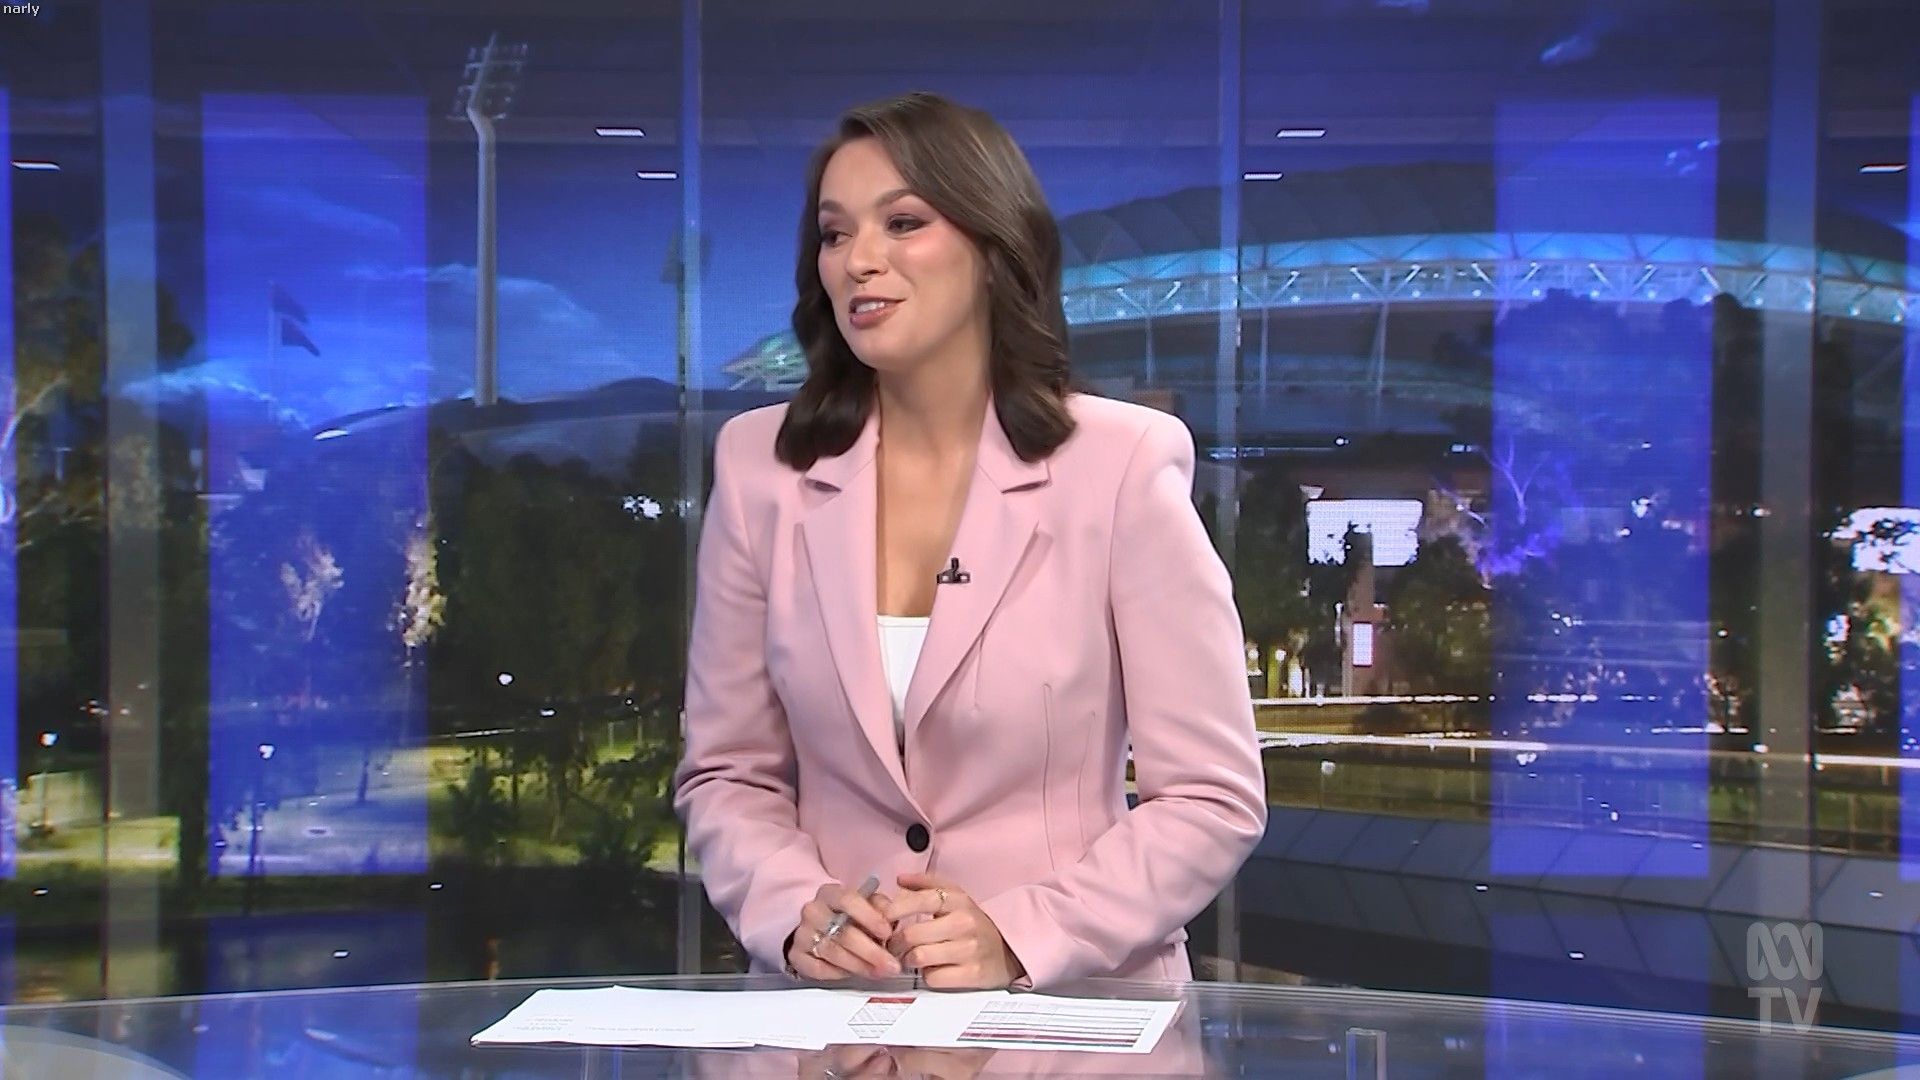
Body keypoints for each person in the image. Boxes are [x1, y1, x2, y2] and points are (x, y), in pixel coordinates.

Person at [672, 91, 1266, 991]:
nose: (859, 261)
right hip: (836, 1022)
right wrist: (795, 911)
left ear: (994, 246)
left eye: (903, 222)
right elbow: (728, 773)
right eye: (835, 234)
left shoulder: (1120, 464)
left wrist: (1021, 934)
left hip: (1070, 1013)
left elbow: (1211, 796)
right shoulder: (762, 467)